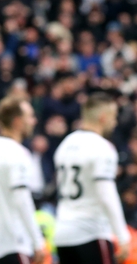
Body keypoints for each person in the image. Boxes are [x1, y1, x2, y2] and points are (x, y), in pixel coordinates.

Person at [53, 92, 131, 264]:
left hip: (63, 234)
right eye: (113, 117)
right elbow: (106, 194)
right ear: (103, 117)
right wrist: (122, 236)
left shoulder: (65, 144)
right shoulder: (102, 147)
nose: (115, 122)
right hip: (91, 232)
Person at [0, 96, 45, 264]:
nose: (34, 121)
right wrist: (38, 241)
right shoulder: (17, 153)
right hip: (13, 242)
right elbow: (22, 199)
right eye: (30, 116)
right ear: (18, 121)